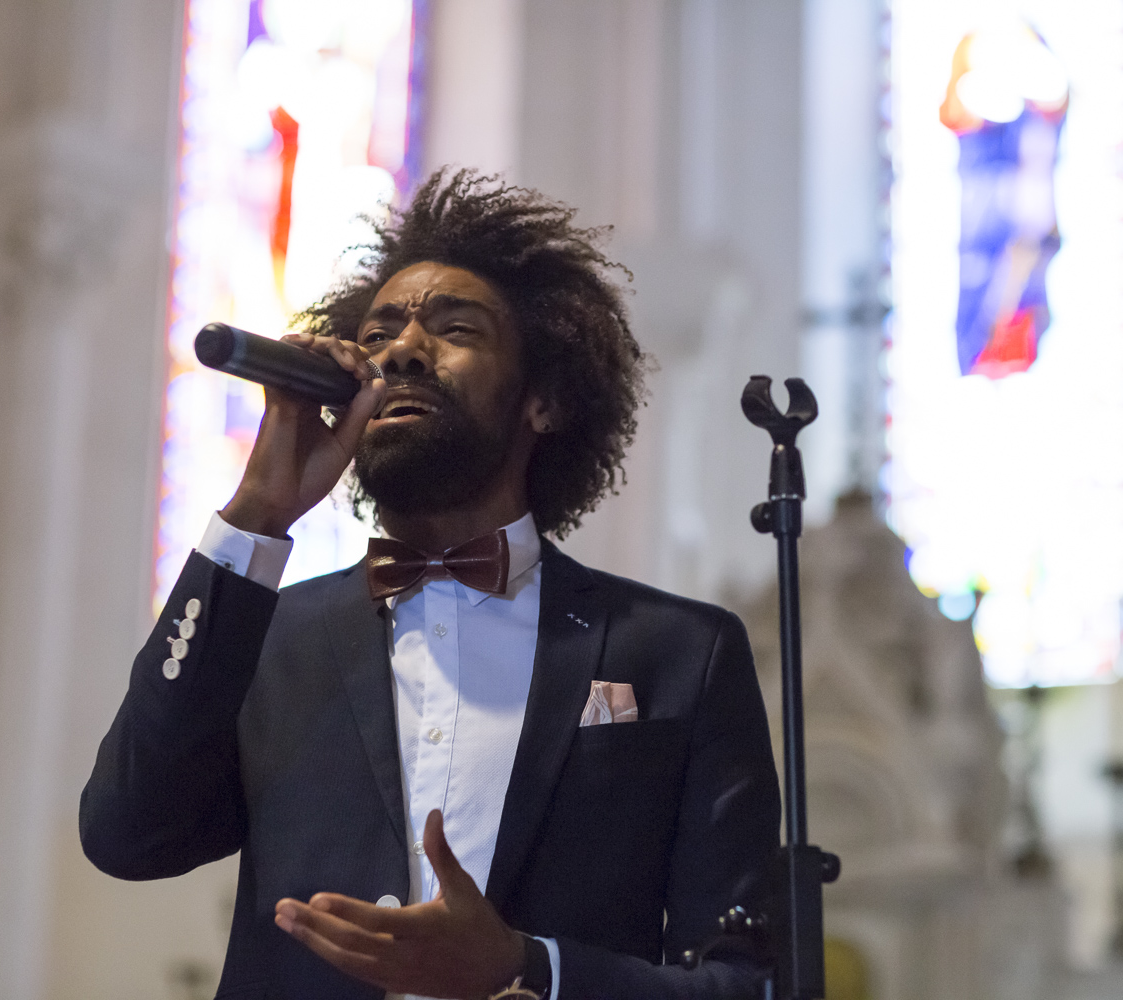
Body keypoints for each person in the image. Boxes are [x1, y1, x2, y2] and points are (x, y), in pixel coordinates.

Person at [81, 170, 781, 1000]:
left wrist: (530, 969)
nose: (403, 350)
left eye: (454, 329)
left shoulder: (679, 653)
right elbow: (129, 834)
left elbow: (745, 984)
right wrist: (256, 517)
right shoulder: (266, 634)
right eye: (378, 335)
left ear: (545, 401)